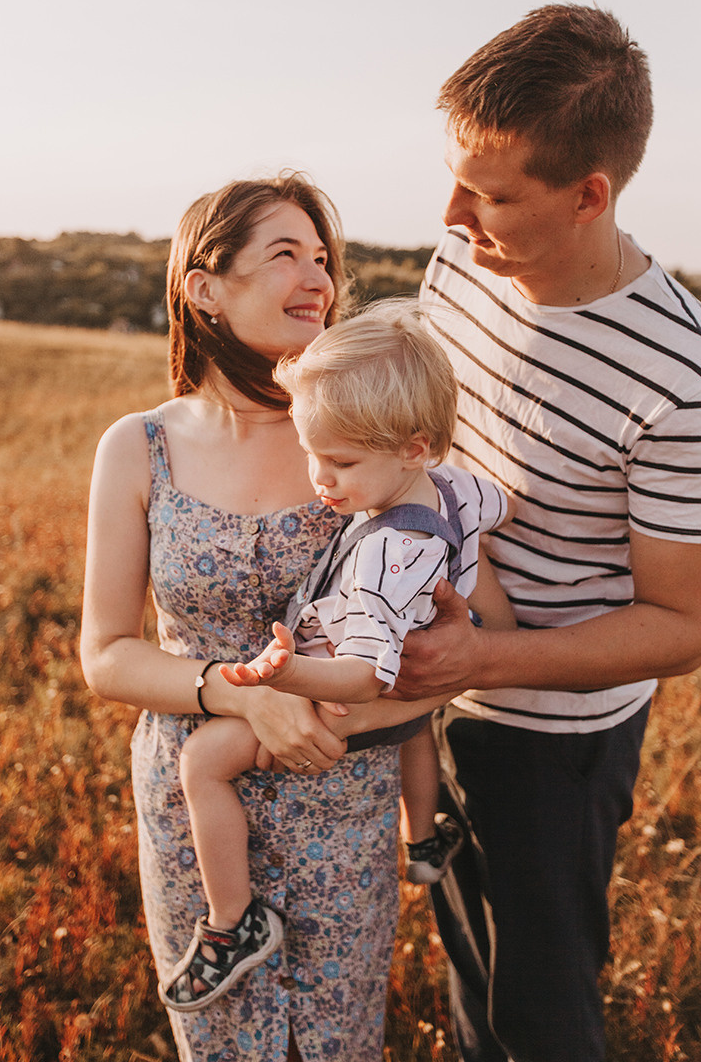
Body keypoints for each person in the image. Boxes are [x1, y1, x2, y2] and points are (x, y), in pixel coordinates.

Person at [80, 174, 495, 1062]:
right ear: (204, 289)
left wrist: (445, 658)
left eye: (322, 258)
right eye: (284, 255)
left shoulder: (368, 437)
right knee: (222, 1045)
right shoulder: (139, 447)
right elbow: (107, 655)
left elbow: (457, 622)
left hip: (341, 795)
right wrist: (239, 696)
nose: (318, 278)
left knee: (336, 1042)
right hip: (193, 792)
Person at [397, 4, 701, 1061]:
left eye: (485, 193)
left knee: (542, 1014)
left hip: (553, 743)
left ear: (588, 195)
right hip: (428, 690)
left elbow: (677, 624)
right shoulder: (457, 270)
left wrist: (485, 655)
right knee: (469, 972)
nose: (448, 215)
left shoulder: (675, 379)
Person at [164, 302, 513, 1013]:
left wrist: (282, 676)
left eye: (342, 462)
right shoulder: (456, 488)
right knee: (417, 730)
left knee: (202, 763)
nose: (321, 480)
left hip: (342, 691)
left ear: (415, 446)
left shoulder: (389, 550)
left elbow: (364, 676)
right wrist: (471, 608)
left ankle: (234, 922)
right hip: (413, 679)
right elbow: (498, 505)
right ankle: (422, 839)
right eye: (312, 454)